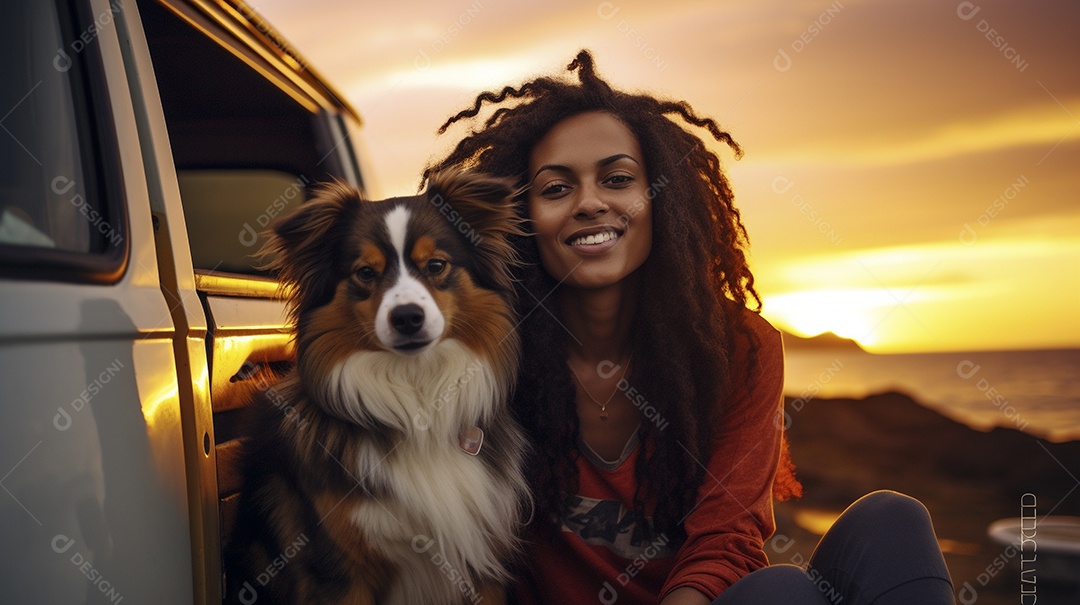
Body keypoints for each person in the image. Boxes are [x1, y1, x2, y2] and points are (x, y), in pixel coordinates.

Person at [423, 50, 955, 605]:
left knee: (892, 519)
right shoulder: (488, 356)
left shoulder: (738, 349)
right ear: (521, 217)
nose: (589, 203)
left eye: (618, 179)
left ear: (661, 199)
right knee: (781, 592)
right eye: (556, 189)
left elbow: (728, 538)